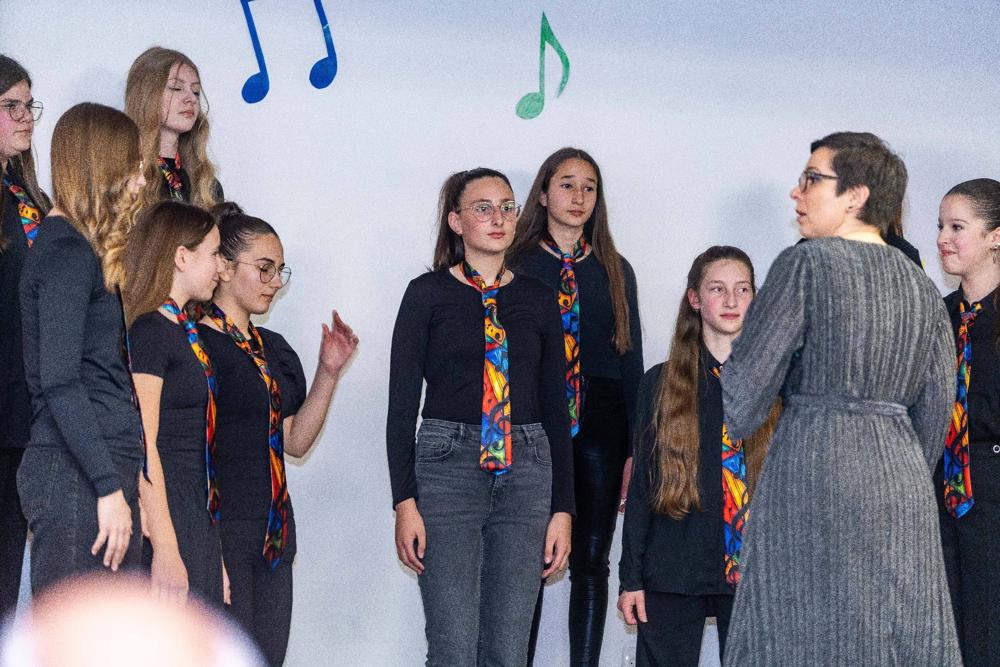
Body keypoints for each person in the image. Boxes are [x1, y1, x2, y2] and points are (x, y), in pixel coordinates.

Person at [719, 131, 960, 665]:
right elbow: (937, 410)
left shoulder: (805, 264)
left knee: (801, 635)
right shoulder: (923, 287)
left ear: (856, 195)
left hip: (813, 474)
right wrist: (894, 462)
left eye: (811, 179)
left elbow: (743, 396)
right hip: (901, 486)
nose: (796, 191)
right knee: (893, 638)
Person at [387, 168, 573, 665]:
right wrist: (404, 500)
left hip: (528, 469)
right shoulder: (426, 294)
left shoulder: (538, 297)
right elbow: (401, 406)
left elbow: (556, 409)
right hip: (448, 469)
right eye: (483, 208)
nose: (498, 218)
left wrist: (563, 508)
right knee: (453, 646)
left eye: (507, 207)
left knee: (509, 650)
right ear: (456, 221)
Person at [200, 203, 357, 666]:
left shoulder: (273, 349)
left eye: (279, 271)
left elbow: (294, 441)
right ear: (224, 267)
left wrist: (328, 373)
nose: (274, 282)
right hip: (221, 529)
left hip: (273, 534)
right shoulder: (194, 344)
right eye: (264, 269)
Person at [508, 148, 642, 665]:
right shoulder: (516, 263)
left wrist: (633, 449)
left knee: (591, 560)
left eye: (589, 187)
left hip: (602, 422)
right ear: (543, 194)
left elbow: (631, 361)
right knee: (528, 559)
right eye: (567, 184)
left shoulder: (615, 269)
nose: (578, 196)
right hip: (532, 419)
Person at [618, 246, 778, 666]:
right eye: (717, 289)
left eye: (743, 289)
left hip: (756, 573)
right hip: (674, 566)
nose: (731, 300)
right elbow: (642, 489)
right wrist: (631, 577)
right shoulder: (659, 383)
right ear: (694, 298)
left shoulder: (780, 387)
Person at [17, 102, 147, 594]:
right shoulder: (66, 252)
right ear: (101, 167)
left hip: (96, 469)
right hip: (76, 474)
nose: (140, 183)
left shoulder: (79, 251)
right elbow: (60, 380)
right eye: (132, 168)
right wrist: (106, 485)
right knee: (78, 632)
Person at [122, 200, 227, 605]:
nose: (221, 267)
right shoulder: (150, 332)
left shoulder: (185, 332)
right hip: (170, 514)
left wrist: (212, 554)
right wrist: (166, 548)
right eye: (214, 254)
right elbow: (144, 443)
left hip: (195, 512)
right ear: (182, 257)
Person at [934, 178, 1000, 666]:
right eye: (940, 226)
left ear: (995, 236)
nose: (942, 238)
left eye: (957, 227)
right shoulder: (938, 318)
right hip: (941, 499)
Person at [0, 54, 50, 616]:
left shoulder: (33, 200)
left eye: (28, 105)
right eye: (10, 106)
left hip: (27, 415)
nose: (25, 117)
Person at [125, 47, 222, 208]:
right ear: (146, 95)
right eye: (176, 88)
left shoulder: (206, 184)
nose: (191, 99)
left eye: (196, 91)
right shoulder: (125, 177)